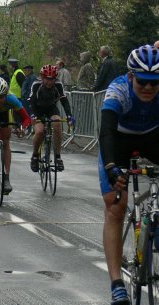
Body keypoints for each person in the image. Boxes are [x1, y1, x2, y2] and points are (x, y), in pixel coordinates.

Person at [99, 44, 159, 305]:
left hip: (152, 138)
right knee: (116, 205)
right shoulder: (118, 90)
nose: (148, 88)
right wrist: (112, 167)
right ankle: (116, 284)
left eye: (155, 83)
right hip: (119, 141)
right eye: (143, 82)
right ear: (132, 76)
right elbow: (107, 132)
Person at [29, 64, 75, 173]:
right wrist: (33, 115)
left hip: (51, 109)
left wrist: (69, 115)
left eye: (52, 79)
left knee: (58, 124)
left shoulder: (58, 84)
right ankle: (35, 156)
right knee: (40, 131)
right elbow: (32, 102)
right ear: (42, 77)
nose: (50, 82)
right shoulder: (36, 84)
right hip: (38, 109)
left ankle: (58, 157)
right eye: (47, 79)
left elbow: (64, 101)